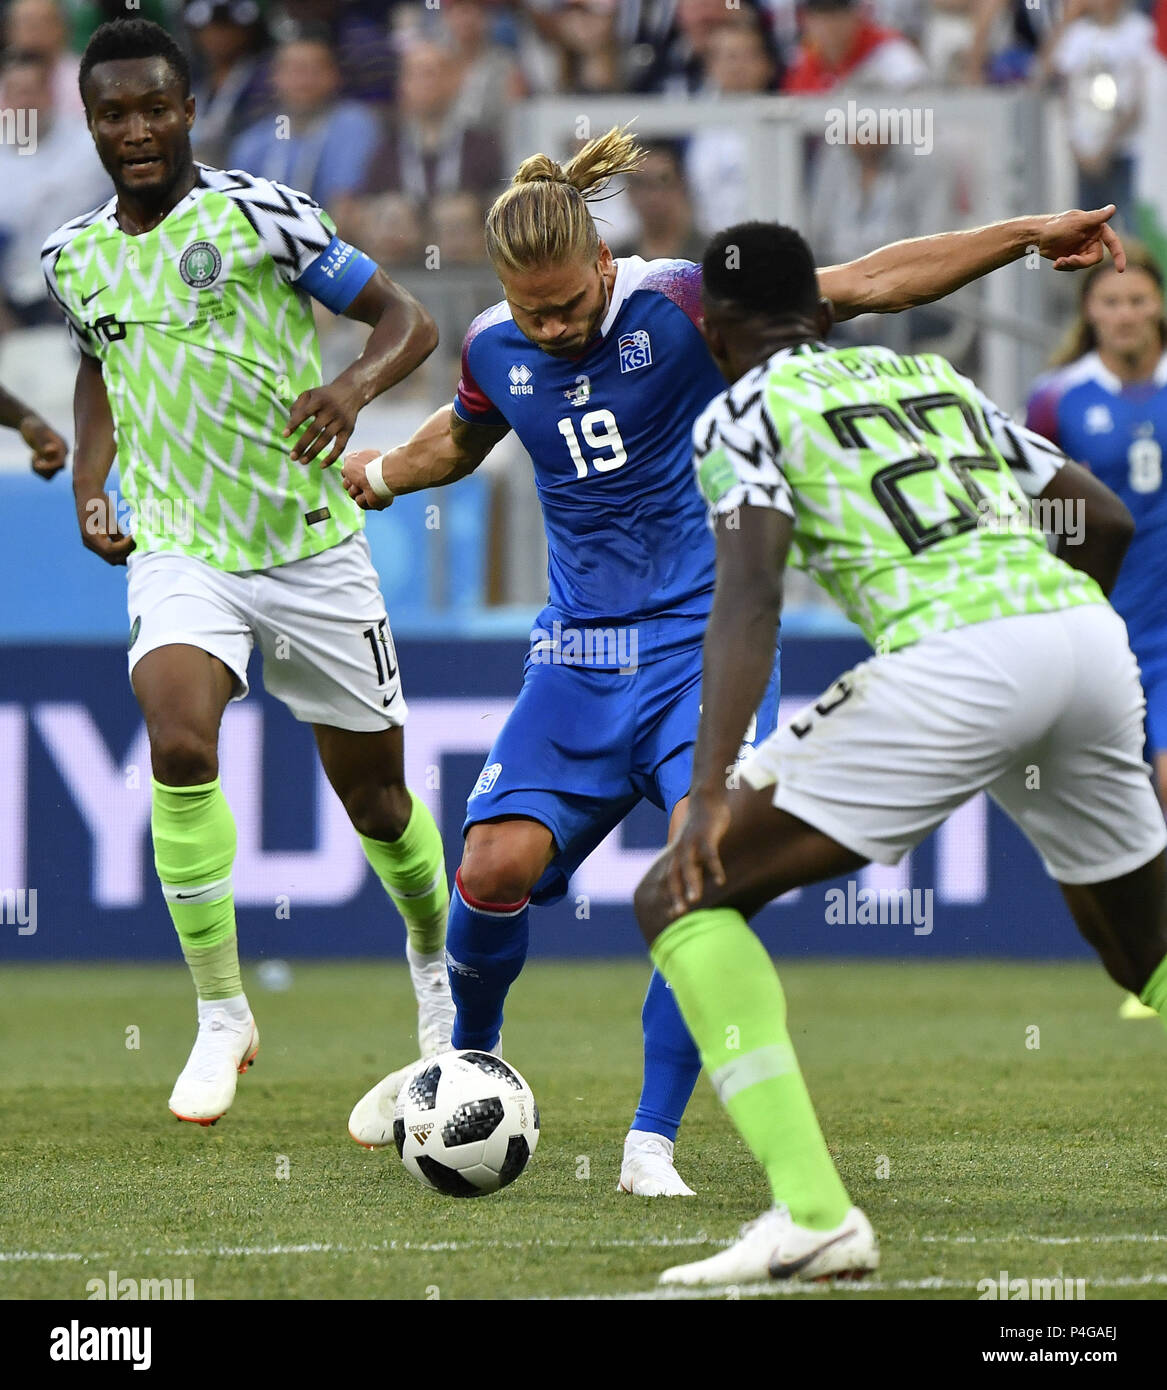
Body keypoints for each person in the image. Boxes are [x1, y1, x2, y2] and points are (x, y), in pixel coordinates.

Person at [337, 127, 1127, 1194]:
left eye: (571, 304)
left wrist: (1029, 233)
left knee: (696, 875)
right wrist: (380, 473)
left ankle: (649, 1143)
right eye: (535, 312)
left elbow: (871, 281)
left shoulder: (679, 301)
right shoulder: (491, 344)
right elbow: (467, 433)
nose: (555, 326)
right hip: (574, 656)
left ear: (604, 267)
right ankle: (461, 1063)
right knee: (487, 870)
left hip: (695, 648)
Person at [632, 220, 1166, 1285]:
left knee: (679, 898)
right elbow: (1099, 518)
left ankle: (816, 1213)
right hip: (1085, 641)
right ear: (822, 315)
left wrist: (704, 789)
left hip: (960, 662)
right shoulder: (929, 376)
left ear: (712, 334)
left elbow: (748, 596)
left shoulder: (739, 410)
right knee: (1143, 950)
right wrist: (1050, 653)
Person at [41, 17, 453, 1128]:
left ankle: (432, 969)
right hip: (185, 548)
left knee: (376, 800)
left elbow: (406, 318)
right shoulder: (72, 256)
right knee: (178, 739)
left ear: (189, 110)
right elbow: (96, 365)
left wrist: (350, 392)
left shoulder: (261, 213)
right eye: (112, 113)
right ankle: (222, 1016)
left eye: (153, 109)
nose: (135, 130)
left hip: (312, 547)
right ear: (90, 122)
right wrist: (95, 475)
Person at [1027, 244, 1167, 1020]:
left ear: (1157, 308)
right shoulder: (1055, 400)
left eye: (1138, 302)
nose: (1124, 315)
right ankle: (1149, 961)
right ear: (1089, 313)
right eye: (1111, 303)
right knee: (1119, 803)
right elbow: (1020, 498)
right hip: (1097, 622)